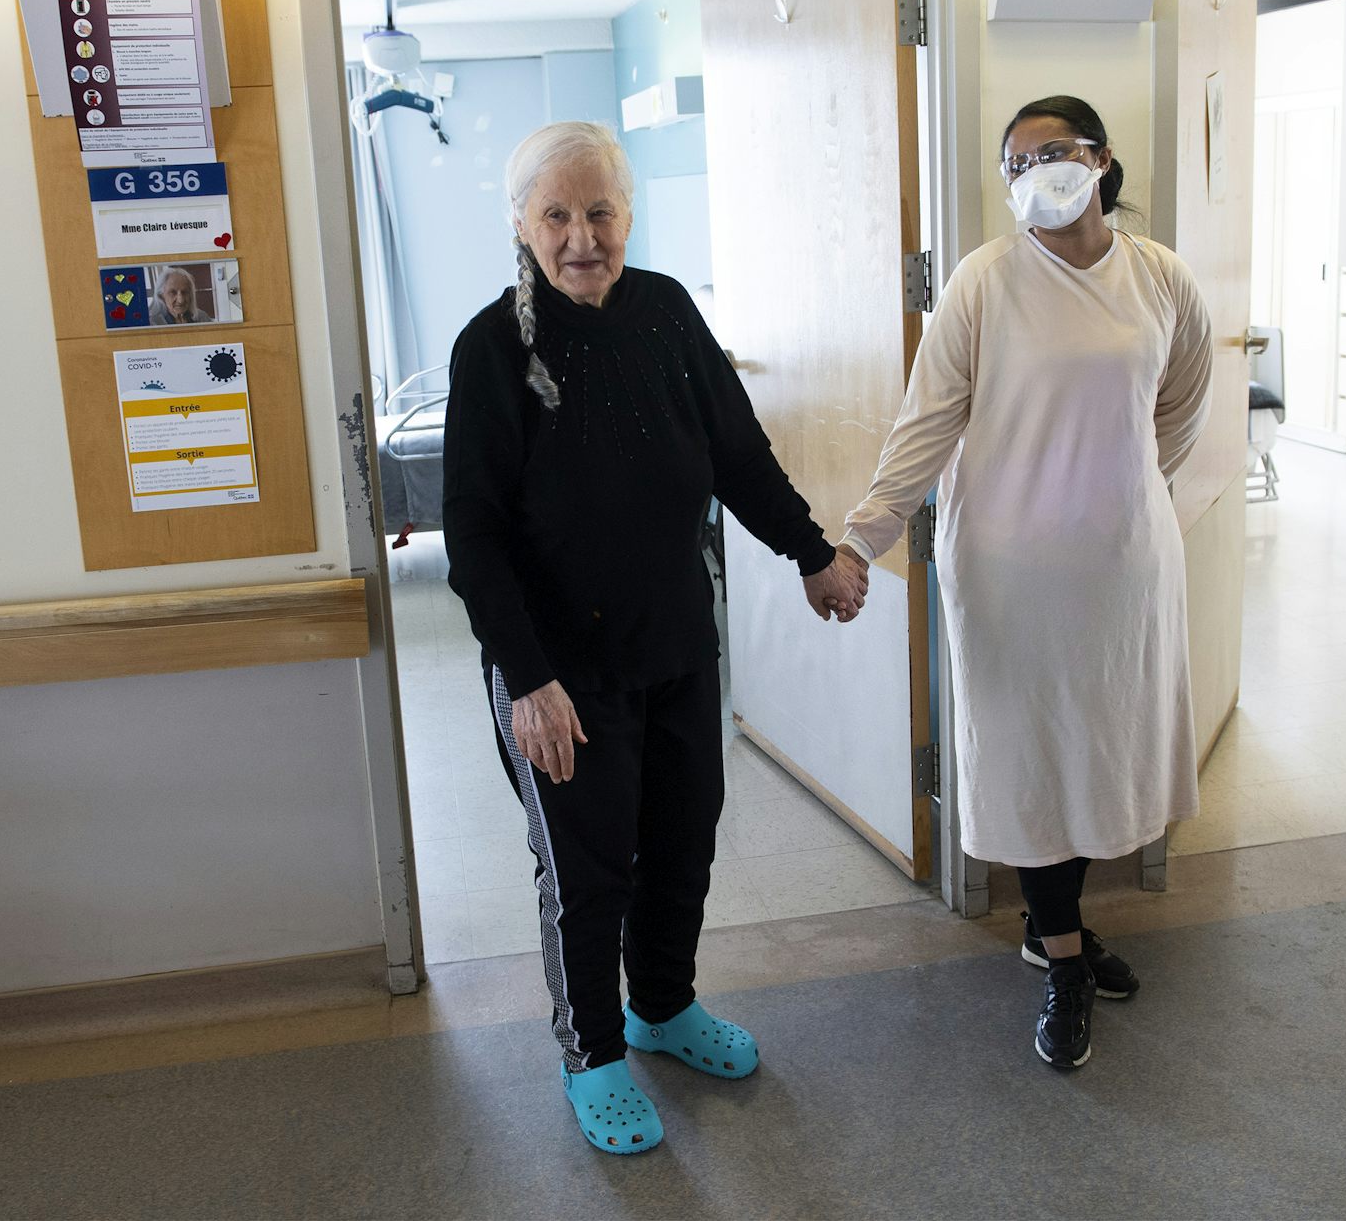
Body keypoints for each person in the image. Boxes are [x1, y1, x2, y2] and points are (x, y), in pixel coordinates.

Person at [441, 120, 869, 1155]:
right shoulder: (493, 347)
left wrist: (811, 552)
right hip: (559, 672)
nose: (581, 236)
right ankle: (592, 1052)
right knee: (589, 875)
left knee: (681, 843)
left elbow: (737, 452)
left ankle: (662, 1008)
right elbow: (473, 537)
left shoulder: (668, 311)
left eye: (600, 212)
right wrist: (528, 680)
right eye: (557, 215)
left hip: (677, 641)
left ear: (627, 216)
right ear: (520, 224)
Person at [840, 95, 1213, 1070]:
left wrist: (1119, 489)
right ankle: (1062, 960)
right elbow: (924, 425)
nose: (1034, 172)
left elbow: (1178, 404)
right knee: (1031, 754)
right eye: (1015, 163)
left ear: (1099, 160)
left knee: (1098, 753)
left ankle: (1057, 927)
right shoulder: (983, 284)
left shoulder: (1161, 277)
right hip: (1007, 570)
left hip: (1122, 569)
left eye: (1053, 152)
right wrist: (861, 538)